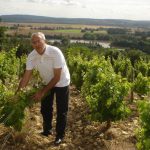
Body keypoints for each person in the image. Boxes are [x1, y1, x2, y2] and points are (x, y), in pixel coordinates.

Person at [17, 32, 70, 146]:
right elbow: (26, 76)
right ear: (32, 44)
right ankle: (47, 130)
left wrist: (42, 92)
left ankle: (60, 135)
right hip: (46, 81)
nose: (37, 44)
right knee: (45, 108)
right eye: (34, 42)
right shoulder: (32, 56)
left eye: (39, 41)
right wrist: (17, 93)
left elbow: (57, 77)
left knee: (61, 110)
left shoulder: (55, 52)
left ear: (44, 41)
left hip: (61, 82)